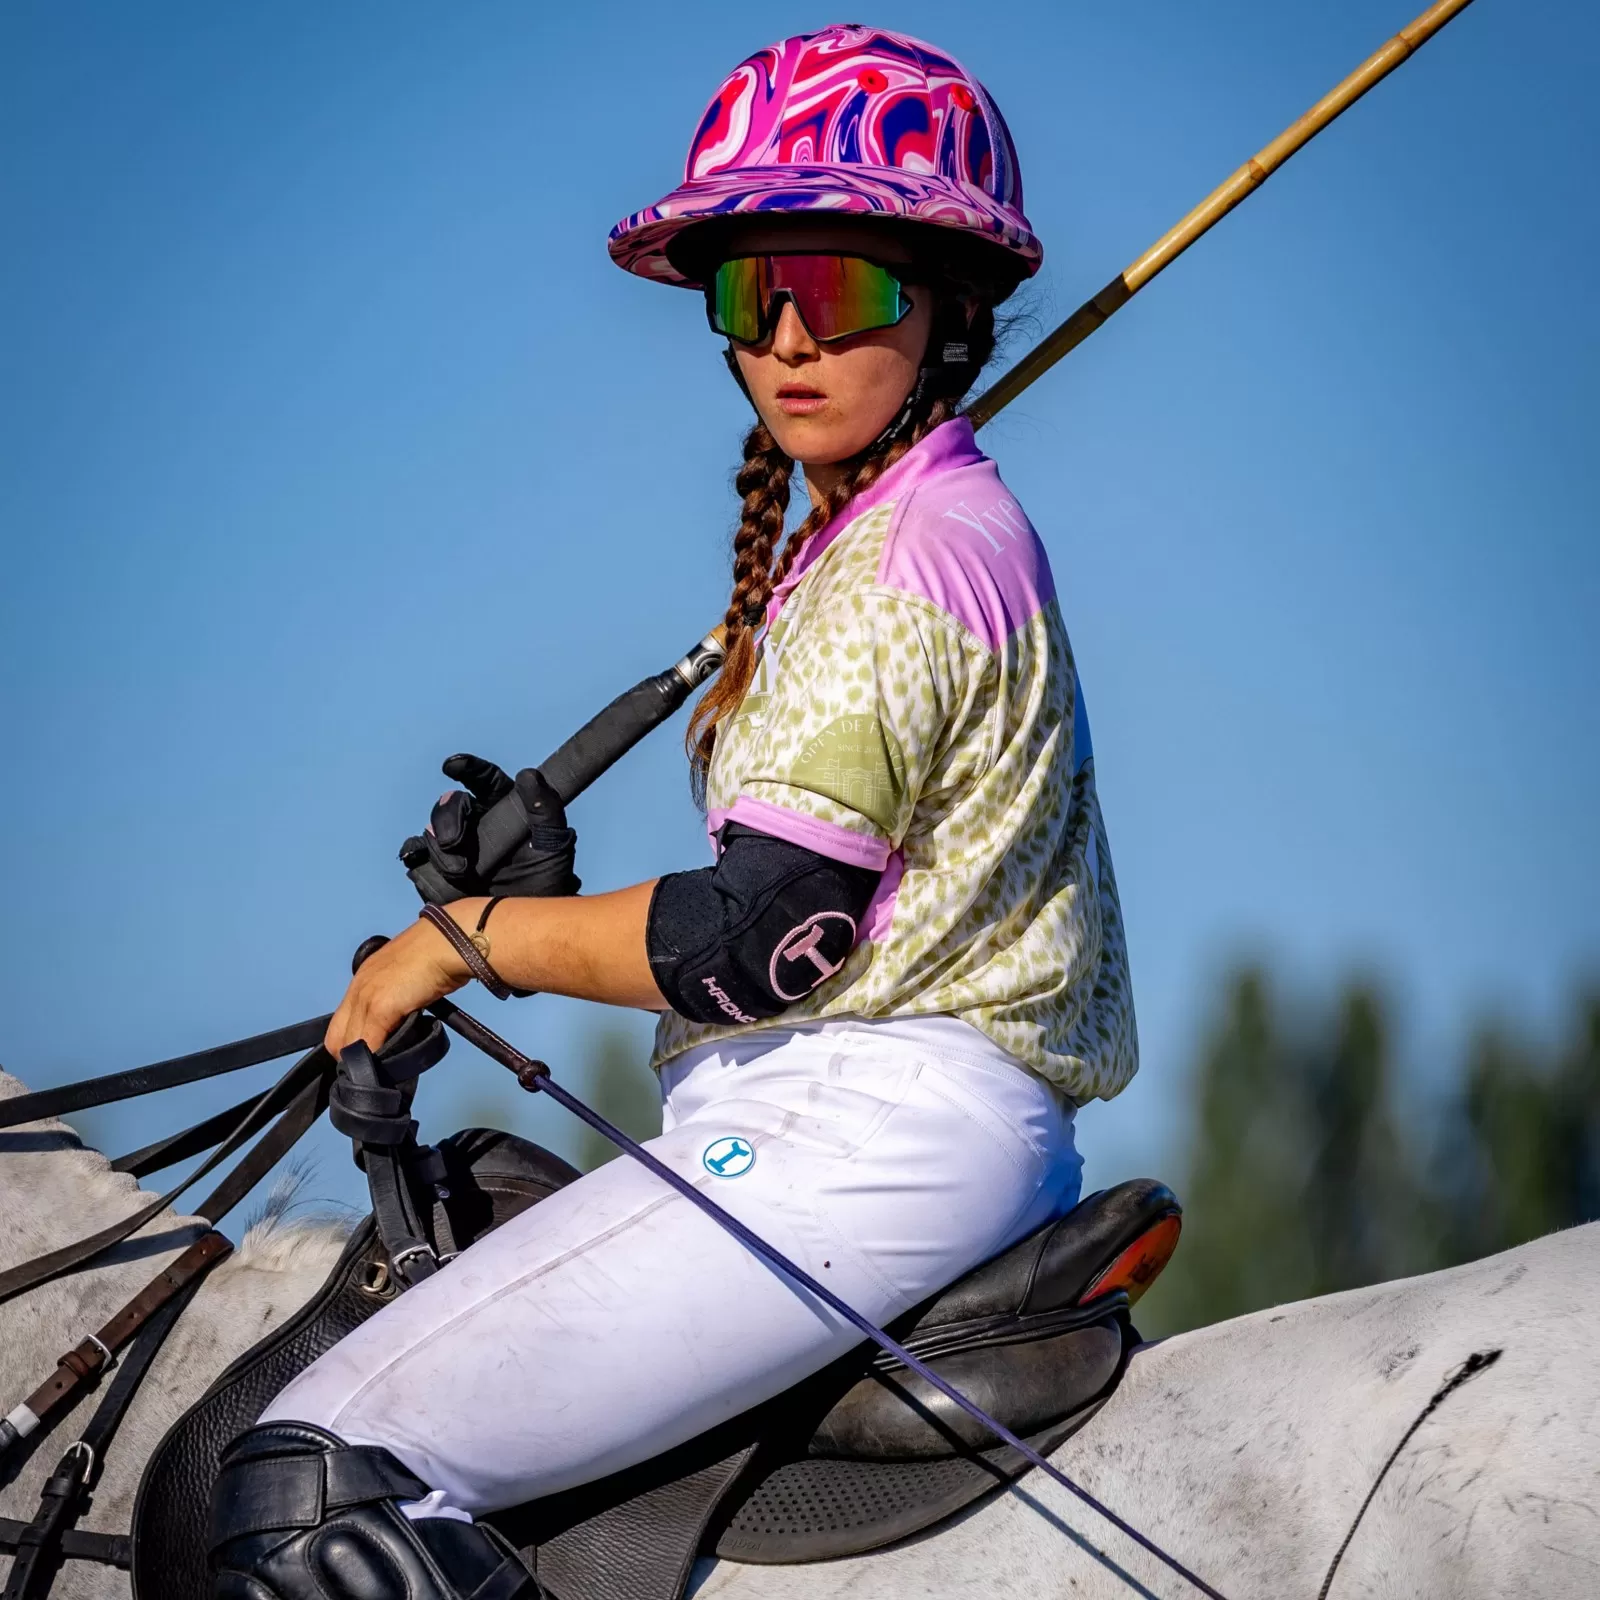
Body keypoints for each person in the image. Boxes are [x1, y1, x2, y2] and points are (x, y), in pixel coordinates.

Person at [208, 25, 1136, 1600]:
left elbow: (759, 937)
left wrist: (469, 940)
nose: (790, 335)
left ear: (944, 305)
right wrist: (554, 902)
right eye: (749, 294)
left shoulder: (911, 558)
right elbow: (823, 907)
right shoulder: (883, 540)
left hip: (867, 1132)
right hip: (840, 1117)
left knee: (305, 1484)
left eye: (838, 288)